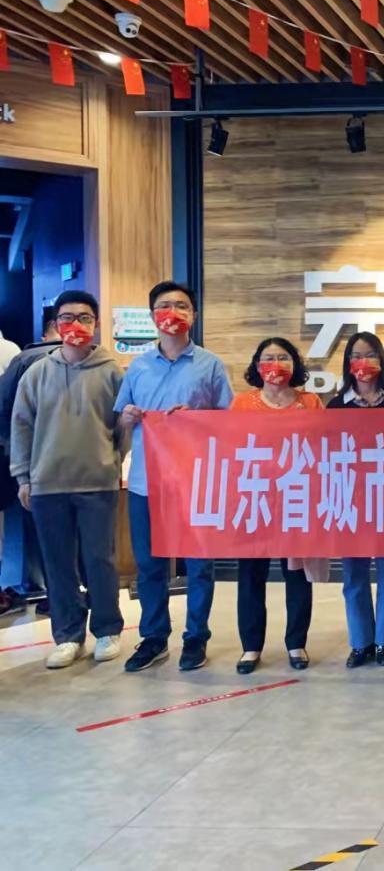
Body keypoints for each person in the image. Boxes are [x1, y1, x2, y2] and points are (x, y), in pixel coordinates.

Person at [116, 281, 233, 673]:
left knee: (199, 566)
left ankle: (196, 636)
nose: (173, 313)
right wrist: (128, 416)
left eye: (181, 306)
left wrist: (197, 419)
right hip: (146, 482)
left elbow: (229, 421)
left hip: (195, 482)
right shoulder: (138, 367)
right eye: (164, 306)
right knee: (149, 565)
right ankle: (154, 637)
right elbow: (121, 418)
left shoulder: (210, 365)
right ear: (153, 316)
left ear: (193, 315)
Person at [9, 291, 126, 668]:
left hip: (97, 484)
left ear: (96, 324)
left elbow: (121, 428)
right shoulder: (36, 373)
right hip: (47, 485)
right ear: (56, 325)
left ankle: (107, 630)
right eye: (67, 317)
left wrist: (111, 462)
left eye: (84, 318)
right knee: (58, 564)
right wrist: (23, 476)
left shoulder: (112, 372)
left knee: (99, 560)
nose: (75, 325)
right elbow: (21, 426)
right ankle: (67, 635)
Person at [230, 337, 326, 674]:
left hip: (297, 498)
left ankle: (296, 642)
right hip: (255, 499)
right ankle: (251, 647)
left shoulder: (310, 402)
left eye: (283, 357)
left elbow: (324, 446)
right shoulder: (242, 403)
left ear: (294, 364)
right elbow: (229, 447)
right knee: (250, 575)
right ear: (257, 365)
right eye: (268, 358)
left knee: (296, 574)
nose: (275, 364)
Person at [327, 332, 384, 669]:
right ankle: (360, 642)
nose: (363, 362)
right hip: (351, 498)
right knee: (354, 574)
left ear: (381, 359)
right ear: (348, 363)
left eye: (370, 354)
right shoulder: (336, 405)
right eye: (356, 355)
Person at [0, 308, 59, 611]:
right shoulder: (12, 352)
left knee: (30, 526)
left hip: (27, 458)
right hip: (74, 465)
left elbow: (6, 409)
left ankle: (33, 586)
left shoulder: (21, 357)